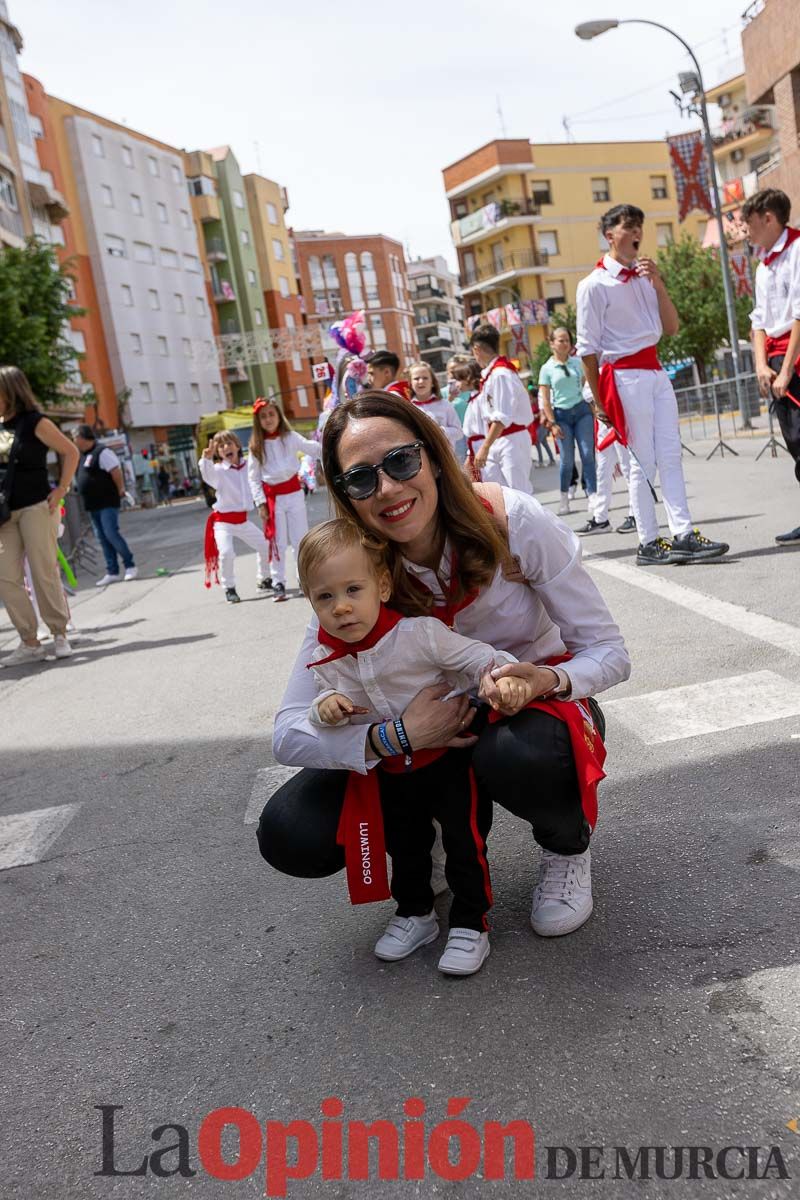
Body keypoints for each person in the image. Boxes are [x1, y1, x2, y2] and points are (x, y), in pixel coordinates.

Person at [256, 391, 631, 945]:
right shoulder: (349, 577)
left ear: (432, 455)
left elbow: (608, 650)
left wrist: (548, 679)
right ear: (345, 496)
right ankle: (427, 841)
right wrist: (392, 736)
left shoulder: (511, 519)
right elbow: (289, 729)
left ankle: (565, 846)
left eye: (401, 461)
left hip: (530, 712)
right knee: (292, 830)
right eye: (360, 480)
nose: (386, 488)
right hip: (420, 741)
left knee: (517, 753)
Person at [298, 518, 541, 975]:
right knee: (407, 847)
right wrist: (324, 707)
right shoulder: (325, 659)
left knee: (464, 842)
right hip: (391, 770)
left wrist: (500, 676)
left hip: (449, 759)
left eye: (353, 589)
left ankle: (472, 922)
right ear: (310, 602)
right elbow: (316, 704)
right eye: (325, 597)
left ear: (383, 586)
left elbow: (477, 656)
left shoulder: (417, 635)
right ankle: (415, 913)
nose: (342, 608)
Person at [577, 204, 729, 564]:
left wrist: (658, 283)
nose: (636, 232)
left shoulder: (645, 277)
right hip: (625, 375)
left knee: (671, 455)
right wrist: (598, 403)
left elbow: (672, 327)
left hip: (655, 371)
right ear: (609, 235)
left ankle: (683, 533)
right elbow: (587, 351)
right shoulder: (593, 285)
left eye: (639, 226)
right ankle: (648, 540)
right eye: (628, 226)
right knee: (641, 462)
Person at [0, 366, 79, 665]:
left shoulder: (35, 421)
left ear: (10, 390)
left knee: (43, 571)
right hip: (5, 513)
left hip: (36, 506)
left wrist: (61, 488)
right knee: (6, 577)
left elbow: (70, 452)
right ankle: (29, 642)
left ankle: (59, 633)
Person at [742, 187, 800, 544]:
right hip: (776, 359)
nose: (746, 232)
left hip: (795, 357)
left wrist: (788, 369)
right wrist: (762, 365)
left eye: (749, 224)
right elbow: (759, 320)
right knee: (794, 440)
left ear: (768, 218)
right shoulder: (764, 265)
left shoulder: (796, 250)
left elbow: (799, 314)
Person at [247, 397, 321, 602]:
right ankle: (278, 581)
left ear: (279, 416)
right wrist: (260, 503)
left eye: (272, 414)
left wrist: (330, 445)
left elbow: (311, 448)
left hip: (294, 493)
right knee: (277, 542)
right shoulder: (256, 446)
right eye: (263, 416)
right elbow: (253, 478)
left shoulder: (290, 437)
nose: (268, 419)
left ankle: (302, 579)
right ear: (258, 421)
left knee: (299, 538)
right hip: (273, 498)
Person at [199, 431, 270, 603]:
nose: (226, 448)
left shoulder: (249, 466)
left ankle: (264, 578)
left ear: (238, 446)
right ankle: (229, 587)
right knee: (227, 552)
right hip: (223, 522)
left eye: (229, 443)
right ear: (218, 453)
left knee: (264, 545)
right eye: (221, 446)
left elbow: (261, 477)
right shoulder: (218, 471)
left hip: (243, 520)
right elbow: (208, 476)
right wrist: (206, 460)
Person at [539, 327, 597, 520]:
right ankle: (564, 497)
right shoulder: (547, 368)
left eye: (567, 340)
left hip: (582, 411)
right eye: (560, 340)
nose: (564, 343)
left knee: (588, 454)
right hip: (561, 416)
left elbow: (586, 385)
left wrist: (594, 409)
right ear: (552, 343)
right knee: (567, 460)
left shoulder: (577, 363)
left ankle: (592, 494)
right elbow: (545, 399)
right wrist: (552, 423)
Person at [468, 325, 534, 494]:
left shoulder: (500, 374)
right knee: (503, 494)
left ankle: (534, 521)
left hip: (511, 437)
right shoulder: (492, 374)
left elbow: (502, 416)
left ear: (477, 349)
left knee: (520, 493)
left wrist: (485, 447)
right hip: (499, 438)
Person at [72, 425, 137, 586]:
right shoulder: (83, 455)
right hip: (93, 504)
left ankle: (130, 565)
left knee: (110, 533)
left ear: (82, 437)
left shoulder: (102, 452)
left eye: (74, 437)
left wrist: (121, 489)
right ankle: (112, 571)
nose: (73, 441)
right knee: (102, 538)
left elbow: (116, 471)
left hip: (107, 501)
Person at [408, 360, 463, 453]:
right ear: (410, 383)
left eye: (425, 378)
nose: (421, 381)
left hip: (444, 458)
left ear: (432, 382)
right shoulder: (408, 409)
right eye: (416, 378)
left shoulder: (445, 405)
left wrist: (440, 431)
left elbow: (459, 433)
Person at [528, 383, 556, 468]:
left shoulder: (538, 402)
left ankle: (541, 461)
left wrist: (535, 416)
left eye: (530, 394)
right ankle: (552, 459)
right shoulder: (532, 403)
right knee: (544, 443)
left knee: (537, 443)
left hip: (541, 425)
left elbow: (542, 413)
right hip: (536, 426)